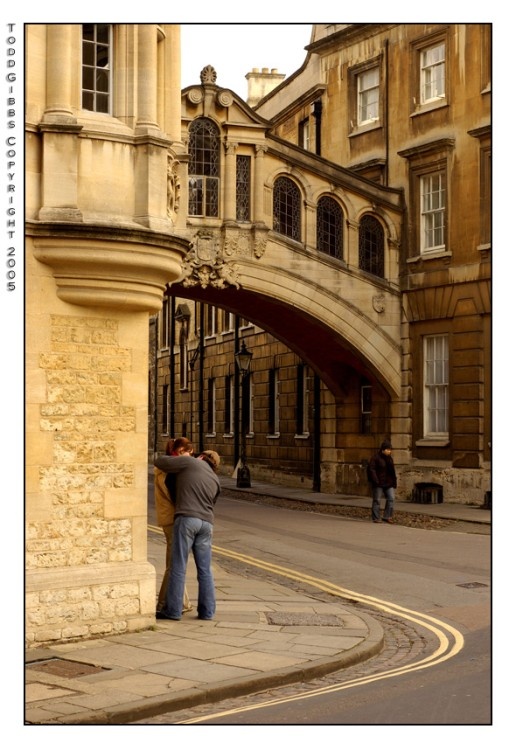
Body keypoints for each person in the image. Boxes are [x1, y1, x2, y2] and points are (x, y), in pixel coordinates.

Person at [154, 449, 221, 621]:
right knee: (205, 570)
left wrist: (183, 458)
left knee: (178, 565)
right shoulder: (215, 479)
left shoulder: (191, 463)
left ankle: (173, 610)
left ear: (201, 456)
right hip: (207, 524)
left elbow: (160, 461)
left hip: (187, 519)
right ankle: (207, 612)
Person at [153, 437, 194, 615]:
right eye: (188, 452)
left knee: (177, 561)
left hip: (171, 518)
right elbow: (171, 495)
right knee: (173, 563)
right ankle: (163, 602)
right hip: (172, 519)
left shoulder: (168, 468)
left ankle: (182, 601)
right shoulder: (165, 471)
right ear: (179, 451)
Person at [368, 440, 397, 524]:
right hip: (379, 482)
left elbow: (392, 472)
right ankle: (376, 518)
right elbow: (371, 469)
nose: (389, 451)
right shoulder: (375, 458)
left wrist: (394, 482)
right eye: (387, 449)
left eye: (390, 449)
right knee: (377, 500)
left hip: (388, 482)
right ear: (382, 450)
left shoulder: (390, 459)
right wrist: (375, 480)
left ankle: (387, 516)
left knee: (391, 498)